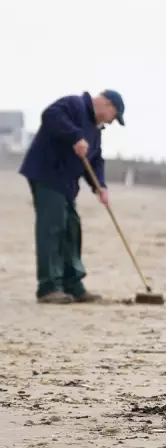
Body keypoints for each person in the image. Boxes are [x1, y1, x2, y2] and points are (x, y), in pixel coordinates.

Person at [19, 90, 126, 304]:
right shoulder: (74, 105)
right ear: (106, 103)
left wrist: (100, 187)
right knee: (53, 227)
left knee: (71, 229)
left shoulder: (95, 130)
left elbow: (94, 160)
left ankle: (73, 285)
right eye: (114, 116)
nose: (112, 121)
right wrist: (75, 136)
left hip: (67, 184)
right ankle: (49, 287)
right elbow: (50, 116)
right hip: (48, 174)